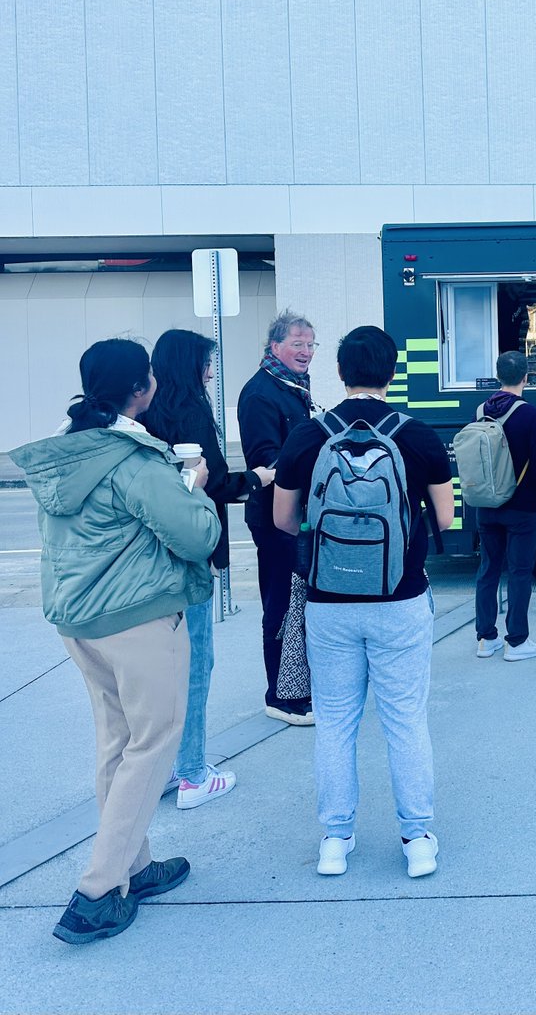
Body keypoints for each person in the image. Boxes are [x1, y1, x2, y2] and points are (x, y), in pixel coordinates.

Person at [12, 339, 220, 944]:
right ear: (141, 388)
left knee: (117, 740)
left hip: (80, 620)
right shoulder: (132, 461)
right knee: (153, 743)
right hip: (137, 619)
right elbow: (196, 537)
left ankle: (134, 863)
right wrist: (195, 486)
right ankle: (98, 890)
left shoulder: (67, 455)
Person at [272, 326, 453, 880]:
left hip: (328, 603)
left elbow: (283, 520)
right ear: (391, 371)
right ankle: (417, 838)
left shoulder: (308, 436)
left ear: (341, 373)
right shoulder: (418, 436)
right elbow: (444, 519)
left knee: (334, 722)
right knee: (405, 720)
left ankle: (335, 840)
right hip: (400, 599)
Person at [142, 329, 276, 808]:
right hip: (191, 553)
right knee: (197, 662)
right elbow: (215, 483)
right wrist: (258, 478)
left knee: (161, 668)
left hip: (149, 558)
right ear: (189, 366)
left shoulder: (142, 417)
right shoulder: (192, 413)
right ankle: (194, 773)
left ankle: (162, 771)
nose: (211, 373)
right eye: (206, 364)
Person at [238, 310, 318, 725]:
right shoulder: (261, 394)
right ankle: (281, 696)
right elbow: (265, 459)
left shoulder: (291, 387)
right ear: (275, 347)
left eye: (310, 344)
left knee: (298, 602)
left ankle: (298, 687)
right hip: (274, 518)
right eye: (297, 344)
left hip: (295, 512)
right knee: (281, 603)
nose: (305, 351)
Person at [472, 351, 536, 662]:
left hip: (487, 504)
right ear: (526, 377)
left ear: (498, 375)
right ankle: (516, 641)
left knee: (488, 569)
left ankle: (485, 638)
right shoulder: (532, 415)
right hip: (522, 506)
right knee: (519, 572)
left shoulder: (481, 410)